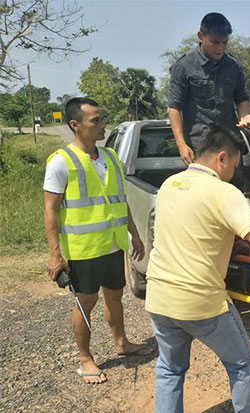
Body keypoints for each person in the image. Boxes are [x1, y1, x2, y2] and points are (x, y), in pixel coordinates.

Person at [145, 124, 250, 413]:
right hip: (200, 301)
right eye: (234, 165)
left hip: (159, 297)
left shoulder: (169, 185)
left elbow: (194, 230)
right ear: (221, 158)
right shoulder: (223, 192)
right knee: (242, 365)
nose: (233, 173)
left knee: (169, 369)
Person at [43, 97, 150, 385]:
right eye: (96, 121)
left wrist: (135, 235)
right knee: (85, 303)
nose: (103, 125)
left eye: (102, 119)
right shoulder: (60, 162)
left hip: (113, 244)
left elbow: (120, 200)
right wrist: (55, 254)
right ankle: (85, 359)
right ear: (75, 125)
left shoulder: (111, 157)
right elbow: (50, 211)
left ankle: (121, 342)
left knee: (115, 296)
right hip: (84, 250)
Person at [168, 12, 250, 166]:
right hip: (198, 147)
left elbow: (241, 98)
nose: (220, 48)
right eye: (215, 42)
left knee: (231, 190)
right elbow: (174, 107)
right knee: (203, 189)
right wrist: (181, 144)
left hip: (229, 143)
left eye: (224, 42)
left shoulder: (234, 65)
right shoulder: (183, 66)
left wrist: (244, 116)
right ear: (201, 36)